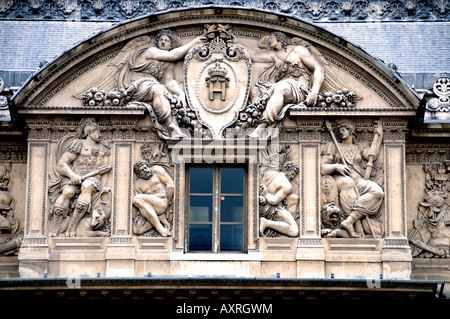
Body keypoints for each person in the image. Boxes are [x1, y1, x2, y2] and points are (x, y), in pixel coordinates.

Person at [125, 30, 207, 139]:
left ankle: (182, 125)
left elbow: (169, 82)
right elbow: (174, 55)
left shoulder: (169, 64)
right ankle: (172, 126)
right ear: (157, 43)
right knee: (158, 90)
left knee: (172, 93)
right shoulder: (151, 51)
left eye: (166, 41)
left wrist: (181, 93)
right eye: (161, 40)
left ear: (171, 45)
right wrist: (195, 42)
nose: (163, 42)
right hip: (137, 82)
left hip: (152, 85)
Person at [246, 31, 324, 138]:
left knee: (281, 87)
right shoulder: (274, 55)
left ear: (279, 38)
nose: (269, 40)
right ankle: (259, 120)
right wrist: (236, 46)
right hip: (284, 87)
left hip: (300, 88)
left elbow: (318, 68)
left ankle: (261, 128)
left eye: (271, 38)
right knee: (255, 91)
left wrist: (315, 91)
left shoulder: (298, 50)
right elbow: (254, 56)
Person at [321, 120, 384, 238]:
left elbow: (372, 154)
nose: (341, 132)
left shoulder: (359, 147)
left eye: (343, 130)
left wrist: (378, 136)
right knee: (348, 183)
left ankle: (350, 220)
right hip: (341, 180)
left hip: (359, 181)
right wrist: (336, 166)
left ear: (351, 131)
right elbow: (323, 168)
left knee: (378, 192)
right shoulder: (334, 146)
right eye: (339, 130)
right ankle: (356, 226)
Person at [48, 119, 111, 237]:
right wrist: (72, 175)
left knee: (87, 186)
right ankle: (54, 229)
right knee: (67, 192)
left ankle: (72, 228)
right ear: (89, 132)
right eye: (97, 132)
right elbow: (61, 164)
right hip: (75, 177)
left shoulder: (103, 147)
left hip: (93, 179)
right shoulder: (78, 144)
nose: (100, 134)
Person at [132, 160, 174, 237]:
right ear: (138, 174)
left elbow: (170, 185)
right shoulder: (137, 184)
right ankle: (159, 218)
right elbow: (141, 205)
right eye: (142, 170)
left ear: (148, 166)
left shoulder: (157, 170)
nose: (145, 170)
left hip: (162, 202)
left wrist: (169, 200)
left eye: (145, 168)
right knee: (137, 231)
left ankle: (160, 228)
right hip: (152, 207)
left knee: (136, 199)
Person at [259, 161, 299, 237]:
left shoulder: (270, 172)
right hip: (271, 209)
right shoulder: (287, 184)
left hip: (260, 202)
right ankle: (266, 223)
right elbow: (274, 201)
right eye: (292, 174)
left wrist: (260, 195)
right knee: (294, 231)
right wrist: (265, 194)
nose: (292, 177)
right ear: (287, 170)